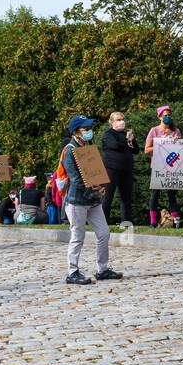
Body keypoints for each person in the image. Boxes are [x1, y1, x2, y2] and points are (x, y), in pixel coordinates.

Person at [61, 114, 122, 285]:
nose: (89, 131)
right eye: (85, 129)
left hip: (92, 199)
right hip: (76, 201)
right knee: (77, 236)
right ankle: (72, 272)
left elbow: (95, 172)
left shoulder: (89, 146)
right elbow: (75, 179)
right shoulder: (69, 150)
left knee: (104, 233)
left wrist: (100, 186)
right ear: (75, 132)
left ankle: (102, 269)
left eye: (89, 128)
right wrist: (94, 189)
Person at [143, 105, 183, 228]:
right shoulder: (154, 130)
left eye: (169, 115)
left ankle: (176, 220)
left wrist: (178, 142)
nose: (167, 117)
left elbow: (182, 149)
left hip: (172, 168)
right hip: (157, 167)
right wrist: (160, 146)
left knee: (172, 194)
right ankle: (153, 221)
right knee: (155, 194)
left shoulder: (176, 131)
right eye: (165, 115)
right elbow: (146, 150)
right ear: (159, 117)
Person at [101, 110, 137, 226]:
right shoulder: (108, 134)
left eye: (123, 119)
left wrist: (131, 140)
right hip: (111, 169)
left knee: (126, 198)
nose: (122, 122)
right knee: (107, 197)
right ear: (112, 122)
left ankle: (126, 223)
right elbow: (115, 145)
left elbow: (135, 150)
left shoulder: (126, 135)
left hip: (126, 170)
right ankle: (103, 223)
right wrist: (127, 141)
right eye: (118, 120)